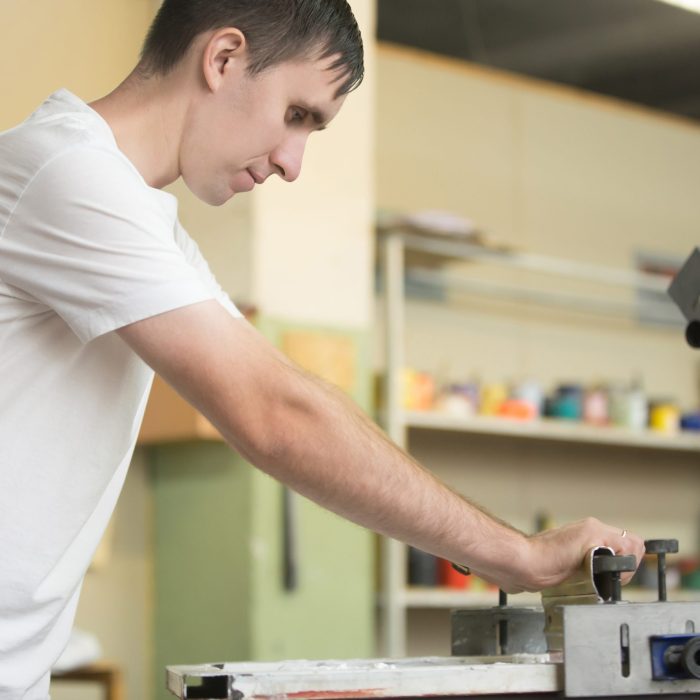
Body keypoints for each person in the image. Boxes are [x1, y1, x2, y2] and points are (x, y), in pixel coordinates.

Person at [0, 1, 644, 697]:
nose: (293, 162)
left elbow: (285, 391)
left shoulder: (145, 222)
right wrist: (520, 556)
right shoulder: (63, 173)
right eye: (298, 115)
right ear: (222, 59)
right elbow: (278, 416)